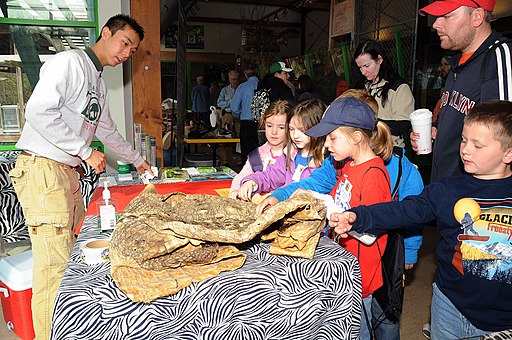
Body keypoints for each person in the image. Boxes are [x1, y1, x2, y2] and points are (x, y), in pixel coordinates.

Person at [8, 14, 152, 339]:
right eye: (125, 42)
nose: (128, 53)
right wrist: (85, 151)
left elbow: (109, 132)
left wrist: (138, 161)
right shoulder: (70, 63)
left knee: (69, 260)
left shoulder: (98, 83)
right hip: (45, 170)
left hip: (65, 174)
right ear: (105, 33)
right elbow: (38, 111)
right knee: (53, 268)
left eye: (133, 49)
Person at [330, 100, 512, 339]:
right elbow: (404, 210)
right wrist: (359, 215)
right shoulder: (446, 190)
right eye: (464, 140)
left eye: (478, 145)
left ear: (508, 152)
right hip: (450, 306)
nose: (466, 149)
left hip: (503, 318)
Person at [257, 90, 424, 339]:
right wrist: (279, 196)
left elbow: (373, 228)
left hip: (363, 273)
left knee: (366, 326)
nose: (325, 145)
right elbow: (318, 186)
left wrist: (337, 214)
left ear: (356, 137)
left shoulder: (374, 174)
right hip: (346, 265)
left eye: (332, 138)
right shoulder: (344, 164)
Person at [415, 0, 512, 182]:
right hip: (445, 189)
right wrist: (436, 131)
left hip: (472, 201)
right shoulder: (457, 64)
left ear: (477, 17)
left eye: (447, 15)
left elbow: (504, 139)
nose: (436, 24)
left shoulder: (499, 56)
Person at [237, 99, 326, 201]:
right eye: (292, 129)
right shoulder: (290, 154)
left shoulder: (325, 162)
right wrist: (252, 182)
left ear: (317, 127)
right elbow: (270, 176)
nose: (295, 136)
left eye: (302, 130)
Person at [354, 40, 414, 147]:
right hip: (364, 149)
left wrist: (372, 123)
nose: (363, 72)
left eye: (367, 66)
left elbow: (403, 124)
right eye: (360, 67)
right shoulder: (361, 86)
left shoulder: (399, 87)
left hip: (390, 150)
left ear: (379, 59)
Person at [230, 100, 292, 198]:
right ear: (264, 123)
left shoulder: (294, 154)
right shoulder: (258, 154)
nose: (274, 132)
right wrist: (237, 190)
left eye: (281, 127)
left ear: (290, 128)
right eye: (269, 126)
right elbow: (242, 176)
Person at [230, 65, 260, 164]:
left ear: (246, 74)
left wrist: (241, 113)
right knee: (261, 153)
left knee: (247, 154)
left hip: (246, 123)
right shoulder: (263, 85)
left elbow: (234, 107)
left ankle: (247, 176)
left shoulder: (242, 87)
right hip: (263, 125)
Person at [217, 70, 240, 135]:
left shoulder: (242, 89)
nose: (235, 81)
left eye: (237, 79)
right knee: (226, 135)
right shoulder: (225, 90)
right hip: (228, 115)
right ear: (229, 80)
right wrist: (231, 102)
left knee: (239, 136)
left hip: (239, 117)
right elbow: (219, 103)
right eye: (233, 79)